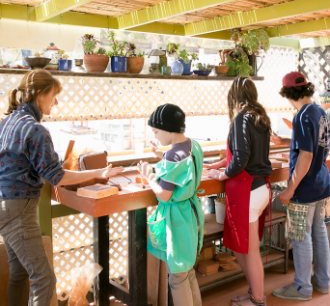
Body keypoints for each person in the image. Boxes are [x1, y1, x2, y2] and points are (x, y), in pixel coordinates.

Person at [0, 70, 124, 306]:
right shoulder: (36, 130)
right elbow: (56, 176)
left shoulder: (8, 121)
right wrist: (98, 172)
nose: (56, 102)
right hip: (19, 212)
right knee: (44, 279)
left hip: (4, 205)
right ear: (39, 93)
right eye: (54, 95)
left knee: (19, 273)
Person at [204, 76, 272, 306]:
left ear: (233, 96)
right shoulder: (260, 118)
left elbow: (242, 159)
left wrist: (221, 174)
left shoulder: (241, 118)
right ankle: (254, 292)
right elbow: (247, 155)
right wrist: (220, 164)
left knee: (249, 250)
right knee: (242, 249)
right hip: (260, 188)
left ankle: (258, 299)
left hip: (247, 192)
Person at [137, 103, 204, 306]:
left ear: (168, 129)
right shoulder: (192, 145)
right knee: (187, 271)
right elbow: (183, 166)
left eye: (156, 131)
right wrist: (160, 155)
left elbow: (164, 195)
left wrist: (149, 178)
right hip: (191, 215)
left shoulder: (173, 157)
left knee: (177, 276)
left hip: (177, 219)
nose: (156, 136)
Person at [271, 71, 330, 301]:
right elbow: (315, 145)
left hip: (304, 190)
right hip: (322, 184)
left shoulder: (301, 116)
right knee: (319, 233)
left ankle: (302, 288)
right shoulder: (319, 112)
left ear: (287, 94)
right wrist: (285, 141)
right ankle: (323, 282)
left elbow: (305, 156)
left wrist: (290, 188)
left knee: (300, 236)